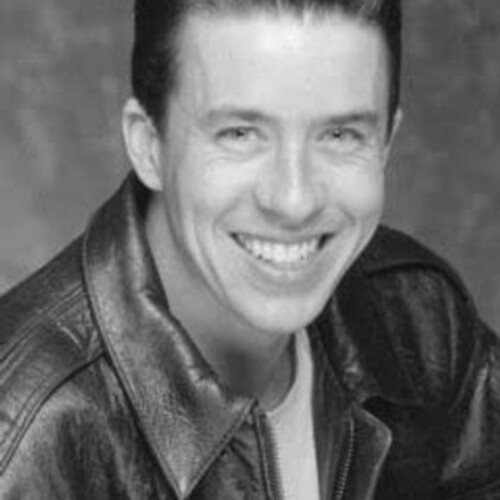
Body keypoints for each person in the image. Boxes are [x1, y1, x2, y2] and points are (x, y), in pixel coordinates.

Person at [1, 0, 500, 498]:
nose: (294, 201)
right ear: (149, 145)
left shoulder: (420, 319)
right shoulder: (24, 443)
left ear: (386, 144)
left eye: (340, 134)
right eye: (240, 134)